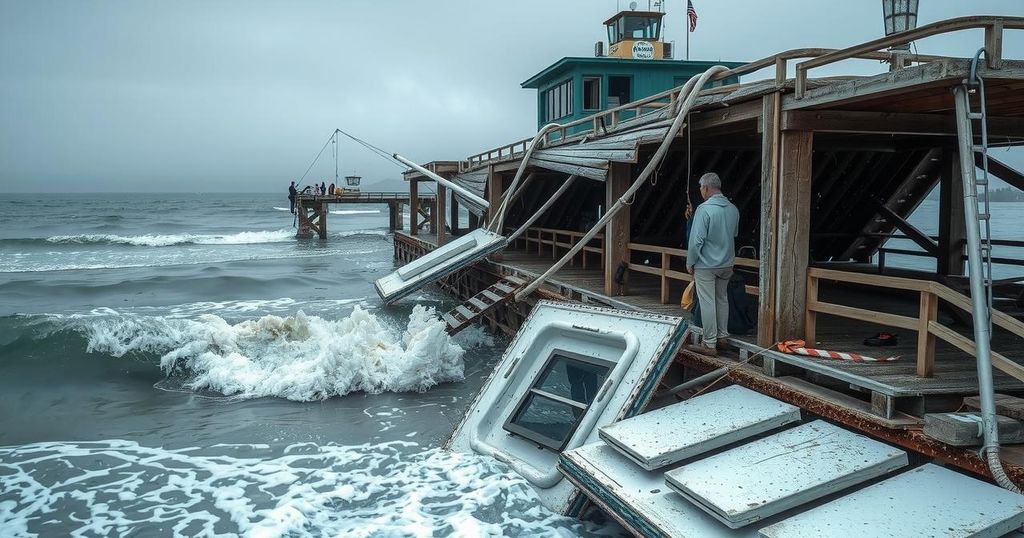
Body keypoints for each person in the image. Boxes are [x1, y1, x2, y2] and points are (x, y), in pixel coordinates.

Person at [685, 172, 739, 356]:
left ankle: (709, 343)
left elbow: (696, 241)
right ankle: (723, 337)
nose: (700, 191)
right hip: (727, 263)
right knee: (722, 299)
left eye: (700, 187)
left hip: (706, 265)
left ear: (706, 188)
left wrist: (690, 262)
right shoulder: (733, 208)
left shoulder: (704, 209)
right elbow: (733, 234)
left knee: (707, 302)